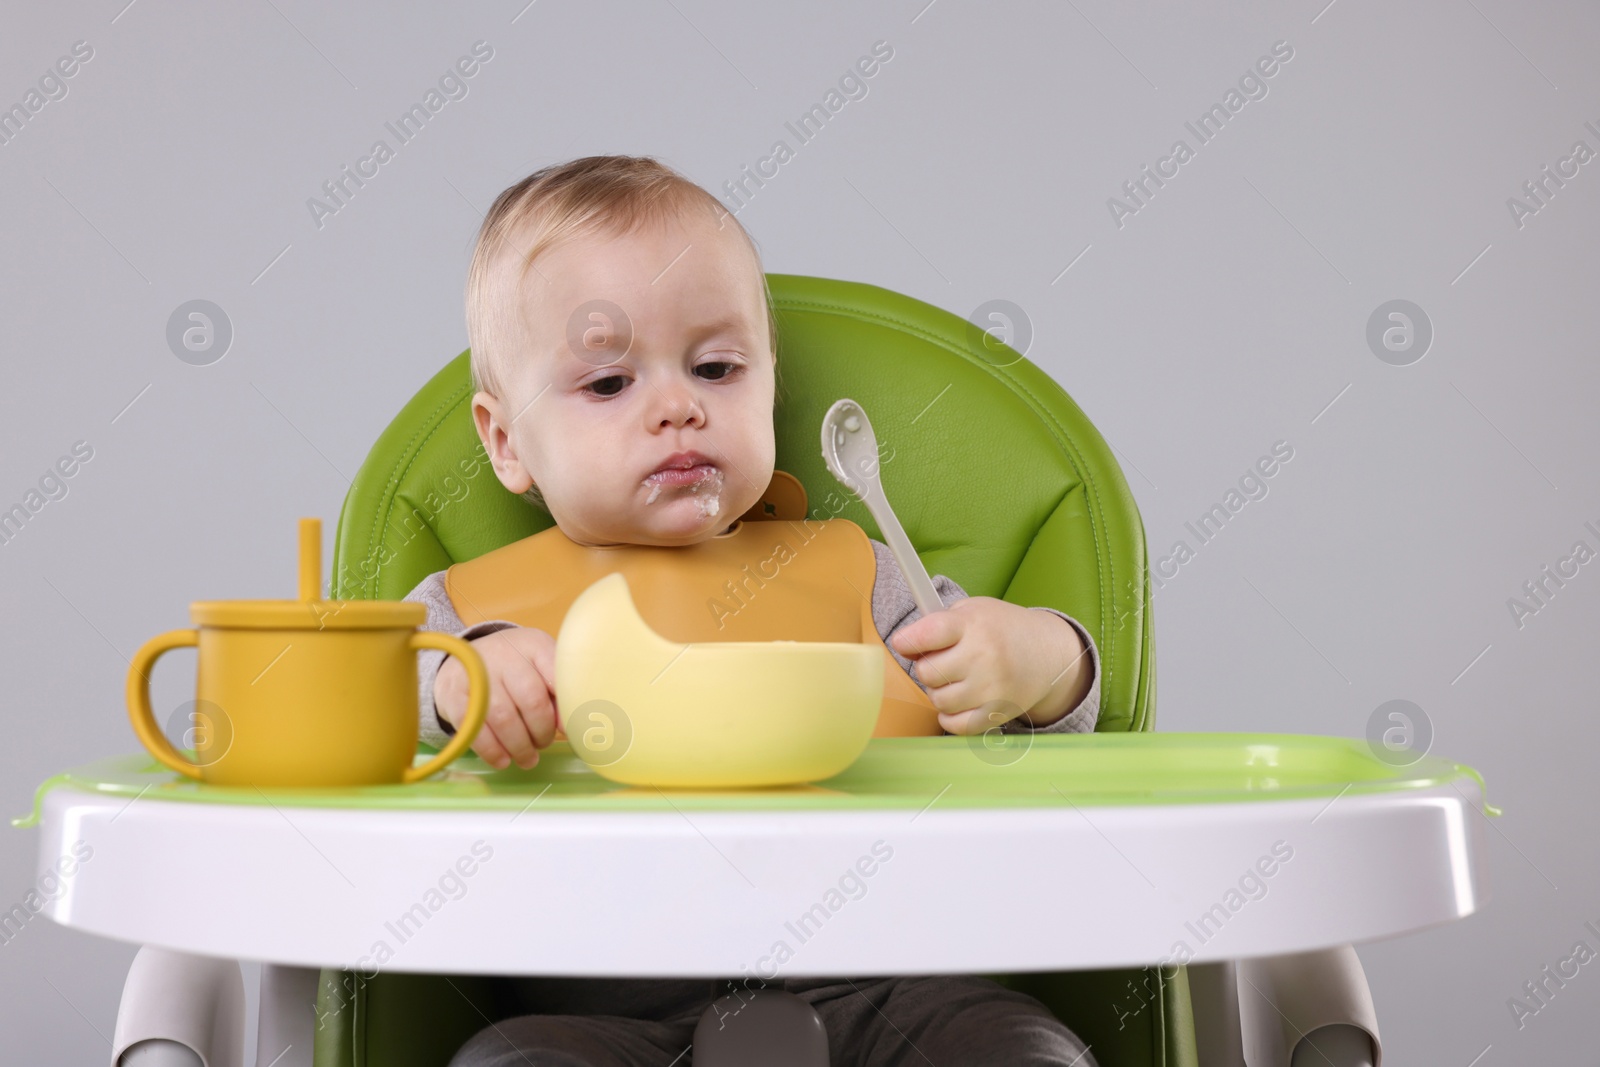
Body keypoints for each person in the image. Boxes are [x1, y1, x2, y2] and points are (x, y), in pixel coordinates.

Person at [401, 154, 1102, 1066]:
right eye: (609, 384)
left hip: (895, 986)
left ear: (770, 382)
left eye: (717, 367)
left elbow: (1046, 709)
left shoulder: (865, 571)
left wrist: (1043, 660)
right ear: (506, 442)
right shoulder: (469, 609)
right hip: (598, 1010)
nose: (678, 407)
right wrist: (468, 678)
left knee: (1018, 1046)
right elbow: (371, 690)